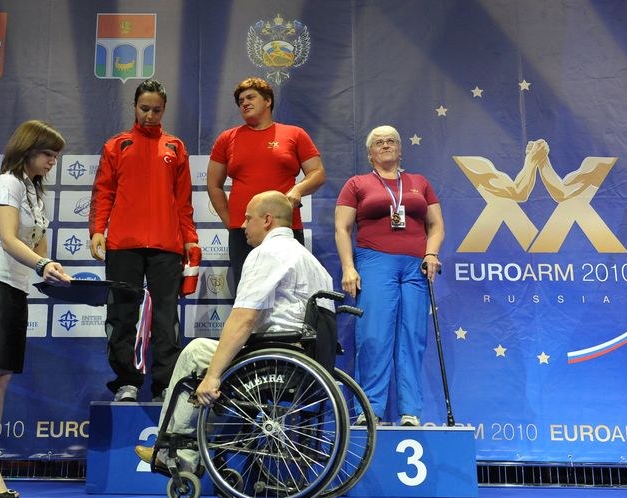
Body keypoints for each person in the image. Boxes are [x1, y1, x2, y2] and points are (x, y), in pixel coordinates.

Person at [134, 191, 334, 472]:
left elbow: (244, 318)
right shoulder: (311, 261)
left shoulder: (267, 254)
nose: (242, 226)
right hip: (306, 362)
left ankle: (175, 454)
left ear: (267, 220)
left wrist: (213, 377)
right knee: (219, 357)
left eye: (248, 218)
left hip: (274, 357)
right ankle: (193, 448)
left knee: (195, 354)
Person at [0, 120, 72, 498]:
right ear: (27, 150)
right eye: (48, 154)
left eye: (56, 157)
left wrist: (52, 270)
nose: (52, 162)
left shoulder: (35, 193)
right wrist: (43, 265)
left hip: (14, 286)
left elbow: (39, 248)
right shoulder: (8, 183)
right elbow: (9, 240)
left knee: (1, 378)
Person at [89, 79, 199, 403]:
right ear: (134, 107)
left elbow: (184, 202)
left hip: (167, 246)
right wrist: (97, 230)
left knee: (166, 318)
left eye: (157, 110)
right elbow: (103, 192)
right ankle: (127, 382)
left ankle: (165, 384)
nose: (150, 115)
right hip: (123, 245)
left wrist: (190, 241)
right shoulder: (116, 145)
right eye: (144, 109)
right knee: (122, 315)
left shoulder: (176, 147)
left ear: (164, 109)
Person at [334, 125, 444, 427]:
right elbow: (342, 228)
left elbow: (436, 226)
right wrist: (348, 266)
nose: (385, 145)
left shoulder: (419, 182)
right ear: (370, 153)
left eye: (391, 141)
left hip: (414, 266)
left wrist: (431, 253)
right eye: (378, 142)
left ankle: (411, 411)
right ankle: (370, 410)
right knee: (374, 335)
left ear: (400, 149)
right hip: (374, 262)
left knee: (412, 336)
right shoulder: (356, 184)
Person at [206, 76, 325, 293]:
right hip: (244, 232)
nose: (244, 103)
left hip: (285, 229)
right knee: (247, 293)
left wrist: (297, 189)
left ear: (268, 101)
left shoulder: (295, 134)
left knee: (290, 292)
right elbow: (214, 184)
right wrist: (230, 221)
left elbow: (317, 173)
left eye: (250, 97)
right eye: (240, 100)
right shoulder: (227, 138)